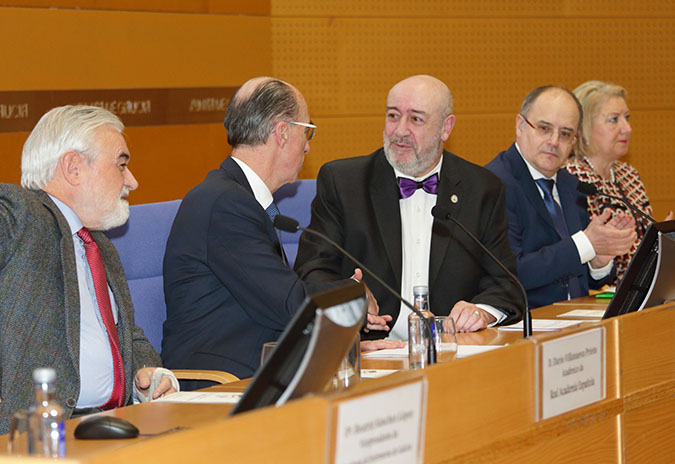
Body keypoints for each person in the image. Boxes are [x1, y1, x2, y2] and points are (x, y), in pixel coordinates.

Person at [161, 77, 397, 385]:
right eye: (306, 131)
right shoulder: (225, 203)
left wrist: (338, 347)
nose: (309, 146)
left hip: (262, 368)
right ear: (282, 132)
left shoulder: (239, 198)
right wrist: (353, 294)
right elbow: (289, 304)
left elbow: (274, 308)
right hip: (220, 382)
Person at [294, 75, 523, 340]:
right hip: (370, 349)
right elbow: (311, 271)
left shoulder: (481, 189)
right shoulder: (344, 183)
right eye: (393, 116)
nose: (400, 130)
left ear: (446, 128)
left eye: (416, 119)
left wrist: (481, 312)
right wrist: (349, 297)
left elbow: (506, 283)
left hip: (452, 351)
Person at [0, 105, 176, 434]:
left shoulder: (98, 245)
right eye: (121, 164)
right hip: (36, 436)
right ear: (74, 167)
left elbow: (127, 334)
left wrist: (148, 373)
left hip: (113, 425)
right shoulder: (22, 214)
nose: (132, 181)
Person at [485, 86, 636, 309]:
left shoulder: (571, 185)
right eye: (544, 128)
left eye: (565, 134)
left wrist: (599, 259)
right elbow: (511, 272)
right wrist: (587, 242)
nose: (554, 141)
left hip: (576, 320)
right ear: (520, 126)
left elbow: (579, 273)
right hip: (525, 325)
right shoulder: (494, 183)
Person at [564, 80, 674, 282]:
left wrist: (663, 242)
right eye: (614, 120)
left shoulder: (628, 173)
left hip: (641, 287)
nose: (627, 128)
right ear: (583, 128)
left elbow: (640, 248)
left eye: (627, 118)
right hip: (595, 293)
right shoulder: (570, 178)